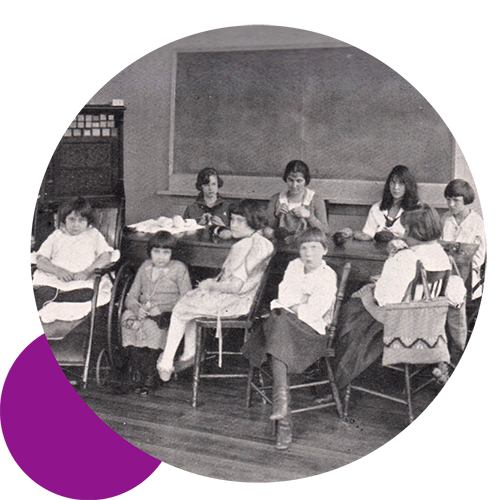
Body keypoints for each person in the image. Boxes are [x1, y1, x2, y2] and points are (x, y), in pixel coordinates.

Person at [335, 204, 466, 391]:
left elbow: (384, 300)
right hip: (425, 323)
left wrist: (390, 261)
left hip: (398, 324)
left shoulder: (406, 257)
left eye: (406, 229)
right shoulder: (441, 254)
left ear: (416, 231)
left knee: (351, 306)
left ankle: (337, 375)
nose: (403, 233)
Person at [156, 199, 274, 382]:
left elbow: (235, 286)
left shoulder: (244, 246)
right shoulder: (262, 242)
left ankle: (167, 361)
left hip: (235, 302)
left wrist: (210, 285)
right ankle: (189, 353)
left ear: (252, 221)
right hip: (246, 300)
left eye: (239, 221)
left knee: (181, 308)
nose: (233, 224)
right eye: (232, 219)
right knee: (191, 302)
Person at [243, 227, 337, 451]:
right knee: (281, 323)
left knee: (279, 323)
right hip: (286, 326)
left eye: (314, 248)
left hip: (311, 332)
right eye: (303, 248)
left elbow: (315, 310)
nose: (308, 254)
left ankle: (282, 410)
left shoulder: (328, 274)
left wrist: (297, 303)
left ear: (324, 250)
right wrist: (300, 301)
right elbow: (283, 297)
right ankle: (283, 415)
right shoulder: (294, 266)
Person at [120, 231, 192, 396]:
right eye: (156, 251)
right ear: (150, 252)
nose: (160, 256)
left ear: (172, 253)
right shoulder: (145, 267)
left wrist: (163, 308)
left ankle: (150, 375)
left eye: (166, 252)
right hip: (143, 309)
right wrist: (138, 309)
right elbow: (131, 296)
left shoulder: (179, 269)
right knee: (127, 319)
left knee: (150, 326)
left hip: (164, 312)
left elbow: (186, 299)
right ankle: (137, 372)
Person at [33, 197, 119, 325]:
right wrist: (57, 270)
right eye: (71, 219)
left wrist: (87, 271)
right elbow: (40, 259)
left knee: (89, 292)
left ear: (88, 222)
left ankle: (56, 298)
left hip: (82, 279)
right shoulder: (56, 235)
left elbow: (105, 256)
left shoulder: (93, 235)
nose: (76, 224)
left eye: (81, 220)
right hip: (57, 278)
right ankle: (55, 295)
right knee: (37, 286)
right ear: (64, 220)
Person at [441, 179, 486, 301]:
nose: (451, 204)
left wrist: (464, 267)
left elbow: (479, 255)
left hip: (467, 272)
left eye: (456, 201)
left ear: (465, 200)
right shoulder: (445, 218)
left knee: (455, 288)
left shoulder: (476, 221)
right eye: (448, 199)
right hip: (445, 268)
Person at [266, 160, 329, 240]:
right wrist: (277, 215)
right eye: (291, 180)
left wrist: (309, 216)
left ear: (306, 181)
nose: (294, 185)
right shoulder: (276, 199)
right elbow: (268, 230)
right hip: (281, 244)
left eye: (299, 181)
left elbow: (325, 231)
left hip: (307, 243)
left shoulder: (315, 199)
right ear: (286, 179)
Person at [354, 165, 419, 241]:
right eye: (393, 182)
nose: (396, 187)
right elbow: (368, 234)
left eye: (401, 183)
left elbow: (418, 240)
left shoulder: (416, 209)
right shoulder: (376, 208)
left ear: (408, 186)